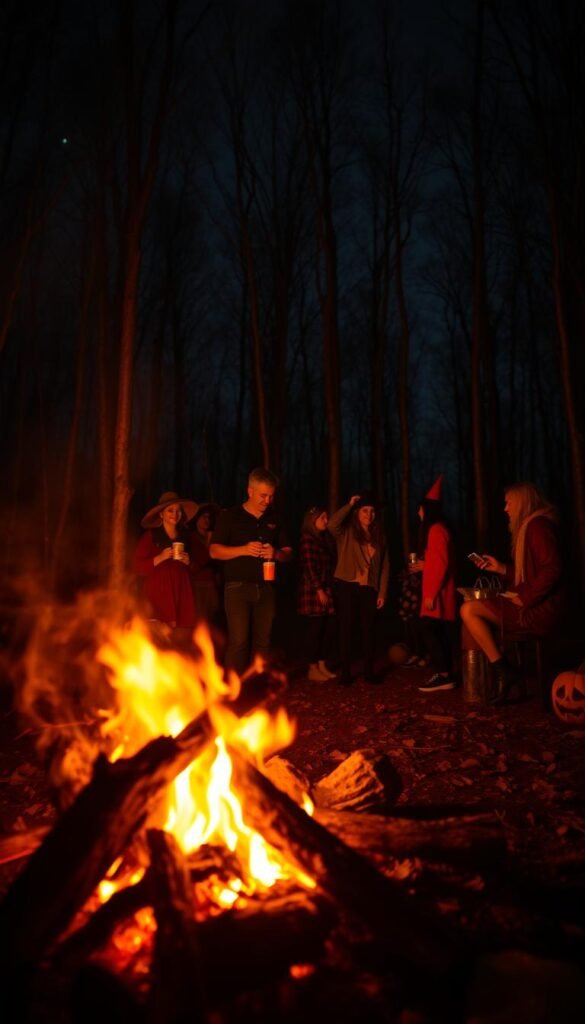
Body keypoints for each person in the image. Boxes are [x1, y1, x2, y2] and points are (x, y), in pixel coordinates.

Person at [460, 481, 565, 705]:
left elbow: (553, 568)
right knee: (473, 609)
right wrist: (500, 568)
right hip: (531, 604)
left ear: (521, 503)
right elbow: (529, 573)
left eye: (508, 503)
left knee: (469, 609)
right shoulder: (532, 526)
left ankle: (504, 671)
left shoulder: (537, 526)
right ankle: (500, 673)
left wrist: (525, 599)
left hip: (538, 610)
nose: (505, 509)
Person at [209, 467, 292, 676]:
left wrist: (276, 554)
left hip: (266, 588)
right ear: (250, 491)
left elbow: (289, 552)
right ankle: (232, 689)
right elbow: (214, 551)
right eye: (263, 495)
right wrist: (243, 549)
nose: (267, 501)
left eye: (271, 496)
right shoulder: (230, 516)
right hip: (237, 588)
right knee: (239, 640)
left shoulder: (275, 518)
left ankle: (257, 685)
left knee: (263, 641)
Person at [328, 493, 389, 686]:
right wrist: (349, 504)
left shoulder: (380, 536)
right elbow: (331, 525)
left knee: (368, 630)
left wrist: (382, 591)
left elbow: (386, 565)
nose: (368, 514)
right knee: (347, 629)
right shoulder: (347, 532)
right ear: (357, 513)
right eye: (364, 510)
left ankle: (368, 671)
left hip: (369, 589)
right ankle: (345, 672)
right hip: (347, 585)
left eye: (372, 511)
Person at [409, 475, 458, 693]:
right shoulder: (439, 529)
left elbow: (441, 564)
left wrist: (430, 594)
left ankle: (444, 675)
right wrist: (424, 565)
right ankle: (444, 673)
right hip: (437, 592)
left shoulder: (436, 530)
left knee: (430, 631)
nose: (418, 514)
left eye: (420, 509)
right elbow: (437, 560)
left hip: (437, 595)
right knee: (437, 632)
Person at [133, 491, 199, 635]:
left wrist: (189, 562)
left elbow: (198, 566)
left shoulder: (186, 536)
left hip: (182, 593)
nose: (175, 514)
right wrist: (159, 558)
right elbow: (137, 567)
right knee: (160, 640)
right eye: (170, 510)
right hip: (158, 595)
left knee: (181, 641)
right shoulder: (151, 536)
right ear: (161, 514)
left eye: (178, 511)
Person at [297, 506, 337, 682]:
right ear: (313, 521)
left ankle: (322, 664)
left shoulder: (323, 539)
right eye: (323, 518)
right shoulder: (307, 540)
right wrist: (319, 589)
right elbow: (309, 567)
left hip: (326, 589)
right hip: (313, 592)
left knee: (326, 630)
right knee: (315, 630)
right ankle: (312, 668)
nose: (326, 521)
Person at [189, 503, 221, 625]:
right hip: (198, 584)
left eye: (208, 517)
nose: (206, 520)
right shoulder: (192, 538)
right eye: (203, 517)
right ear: (196, 519)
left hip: (212, 584)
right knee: (200, 618)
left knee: (212, 617)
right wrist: (208, 542)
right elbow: (200, 561)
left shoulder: (215, 537)